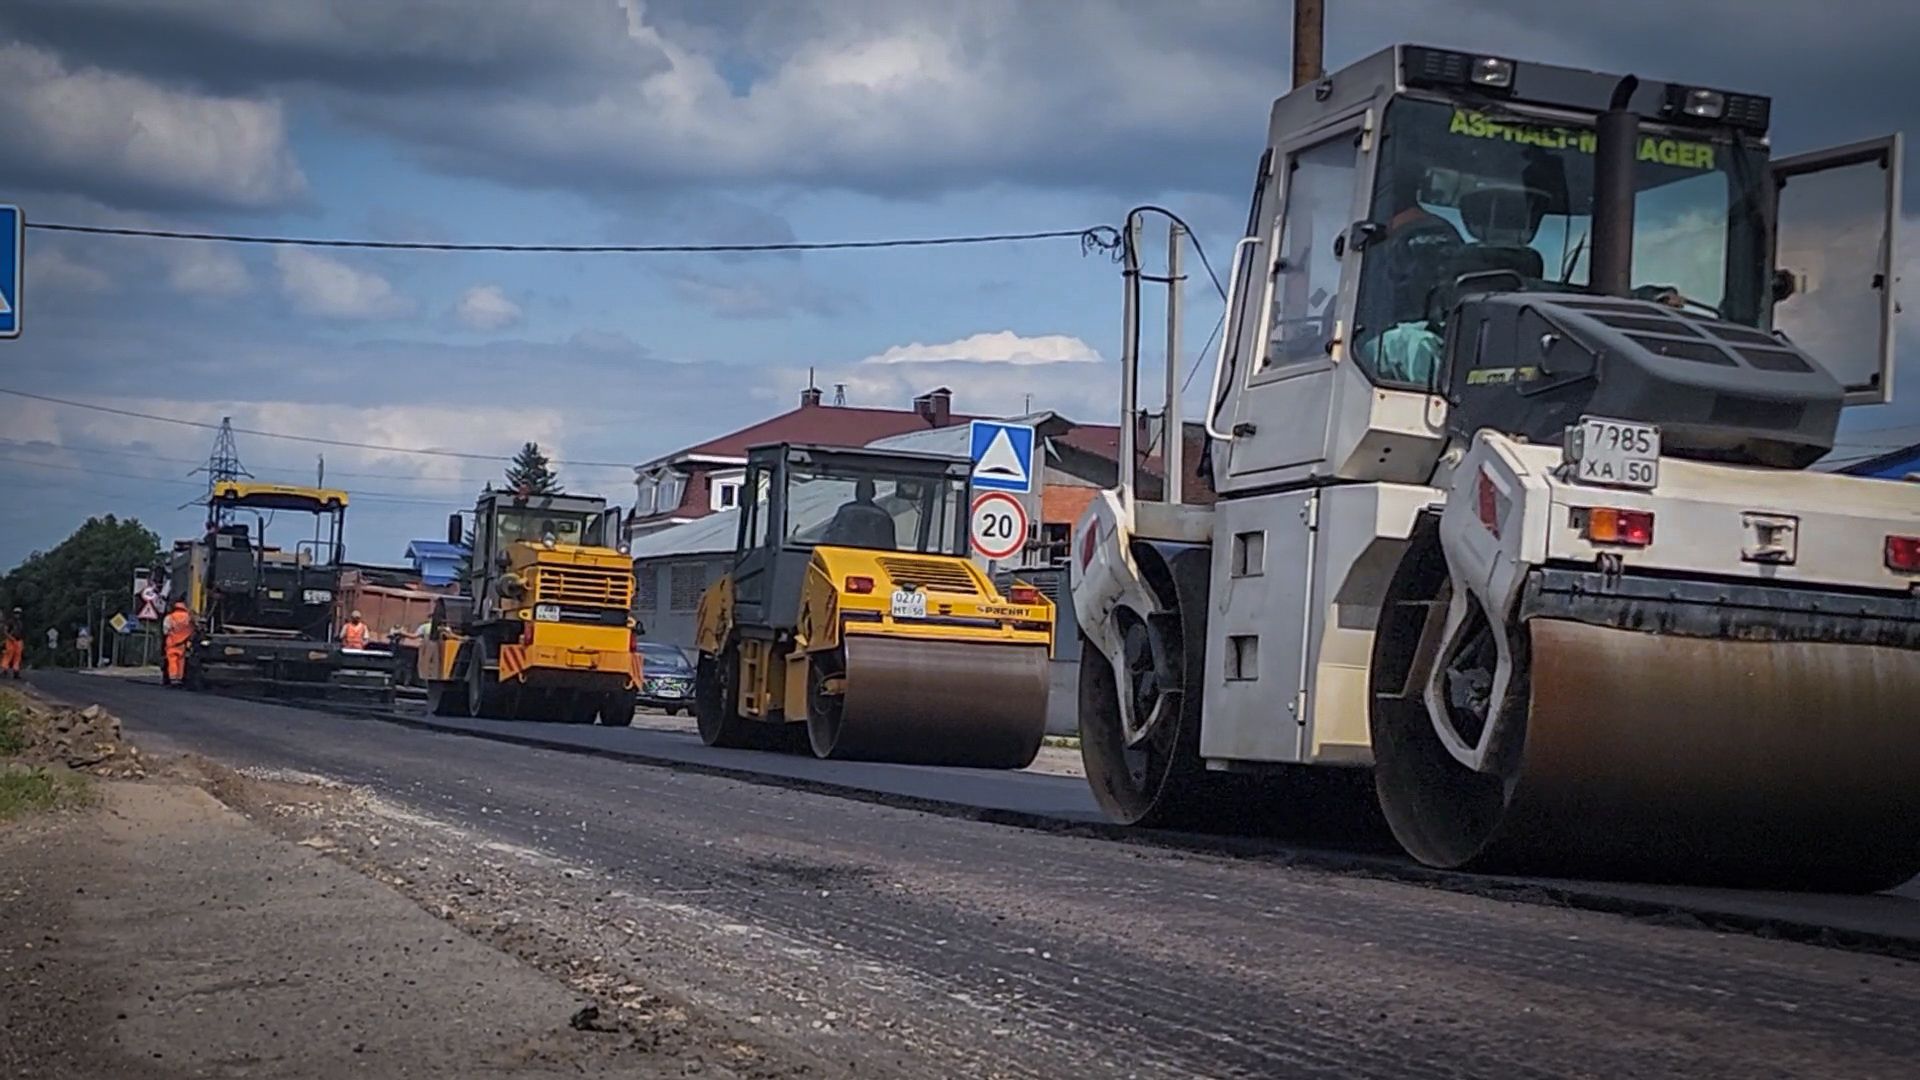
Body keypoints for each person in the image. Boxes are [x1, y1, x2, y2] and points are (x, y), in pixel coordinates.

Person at [819, 478, 897, 551]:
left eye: (865, 490)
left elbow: (828, 537)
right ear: (874, 493)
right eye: (861, 489)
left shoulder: (845, 511)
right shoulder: (883, 516)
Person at [162, 601, 194, 688]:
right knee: (181, 661)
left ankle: (173, 678)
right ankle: (180, 678)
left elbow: (165, 630)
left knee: (172, 661)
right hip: (183, 643)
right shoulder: (188, 617)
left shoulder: (170, 617)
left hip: (172, 642)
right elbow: (192, 629)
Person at [1, 607, 24, 680]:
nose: (17, 615)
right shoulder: (10, 622)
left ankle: (16, 671)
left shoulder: (20, 623)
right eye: (16, 613)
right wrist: (10, 638)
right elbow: (5, 631)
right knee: (8, 655)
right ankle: (4, 670)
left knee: (18, 656)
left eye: (19, 613)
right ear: (13, 614)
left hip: (18, 641)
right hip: (11, 641)